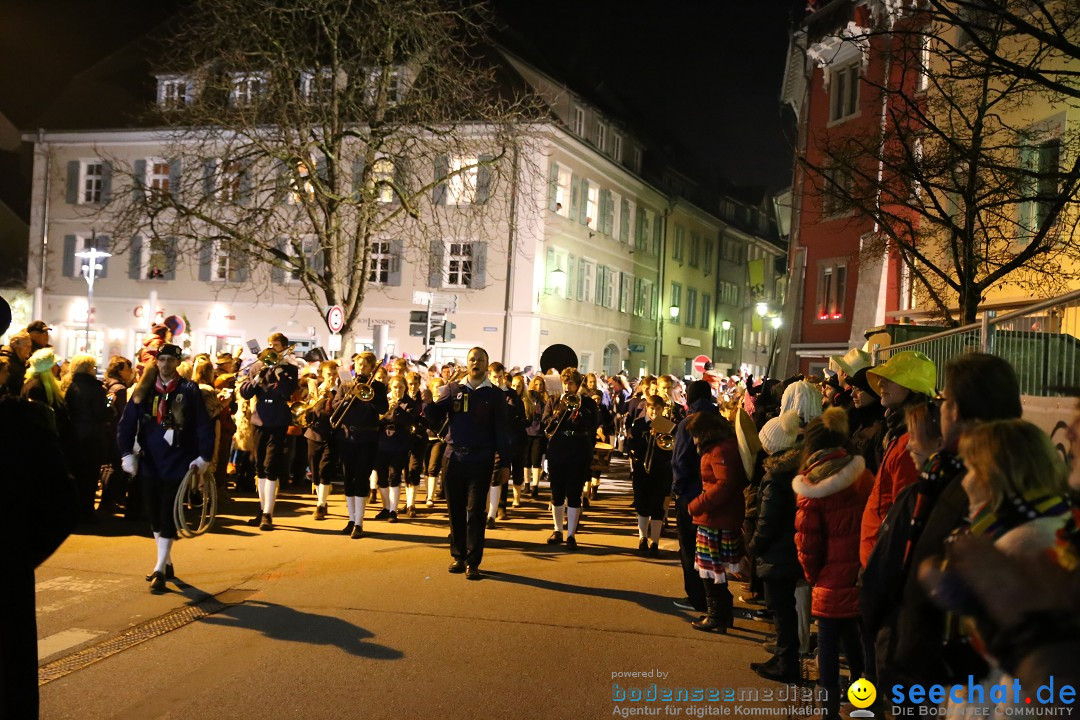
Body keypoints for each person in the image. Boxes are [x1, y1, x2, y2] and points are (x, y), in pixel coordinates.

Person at [867, 353, 1024, 699]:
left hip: (951, 683)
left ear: (958, 412)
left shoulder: (956, 487)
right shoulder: (1002, 480)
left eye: (945, 401)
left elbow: (892, 578)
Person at [792, 408, 873, 719]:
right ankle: (863, 700)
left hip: (829, 578)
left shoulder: (811, 487)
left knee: (827, 646)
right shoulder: (863, 475)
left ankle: (828, 712)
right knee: (854, 640)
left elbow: (807, 544)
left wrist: (814, 577)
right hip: (862, 573)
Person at [117, 344, 214, 592]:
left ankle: (159, 567)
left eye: (171, 360)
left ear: (178, 362)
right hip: (150, 459)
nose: (166, 364)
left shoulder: (189, 390)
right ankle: (166, 559)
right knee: (153, 511)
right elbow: (127, 423)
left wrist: (204, 457)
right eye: (162, 359)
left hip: (179, 459)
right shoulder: (144, 390)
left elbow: (203, 425)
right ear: (156, 362)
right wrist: (126, 452)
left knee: (169, 510)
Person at [422, 347, 510, 579]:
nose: (475, 363)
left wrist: (505, 464)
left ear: (486, 364)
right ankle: (458, 556)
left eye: (480, 360)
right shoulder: (453, 389)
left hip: (481, 458)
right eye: (472, 359)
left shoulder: (495, 394)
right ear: (467, 363)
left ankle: (473, 561)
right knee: (455, 510)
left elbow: (502, 430)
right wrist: (428, 402)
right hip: (453, 457)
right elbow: (434, 417)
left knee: (475, 511)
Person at [860, 351, 936, 566]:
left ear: (912, 388)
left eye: (891, 378)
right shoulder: (897, 430)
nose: (881, 382)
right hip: (878, 555)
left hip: (884, 559)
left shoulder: (910, 441)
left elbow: (903, 512)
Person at [747, 409, 804, 682]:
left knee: (780, 610)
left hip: (777, 553)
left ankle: (786, 663)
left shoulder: (775, 476)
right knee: (784, 609)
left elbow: (767, 519)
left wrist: (755, 545)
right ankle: (783, 657)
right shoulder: (791, 470)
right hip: (787, 550)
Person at [685, 411, 747, 633]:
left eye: (696, 435)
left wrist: (697, 504)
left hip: (716, 517)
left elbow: (725, 484)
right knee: (713, 570)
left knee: (710, 570)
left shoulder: (720, 450)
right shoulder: (722, 446)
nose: (694, 440)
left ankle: (717, 615)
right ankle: (721, 613)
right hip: (718, 515)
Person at [238, 333, 300, 530]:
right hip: (260, 419)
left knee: (271, 465)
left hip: (278, 420)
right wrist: (258, 376)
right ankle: (262, 508)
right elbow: (246, 392)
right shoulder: (258, 366)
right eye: (270, 345)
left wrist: (279, 369)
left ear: (283, 348)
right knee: (259, 466)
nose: (271, 348)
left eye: (275, 345)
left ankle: (268, 513)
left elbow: (286, 391)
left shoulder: (290, 368)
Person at [670, 380, 717, 614]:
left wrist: (677, 490)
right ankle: (713, 599)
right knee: (710, 549)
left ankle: (697, 597)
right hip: (714, 494)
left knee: (689, 548)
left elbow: (680, 461)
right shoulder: (720, 419)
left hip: (690, 493)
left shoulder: (689, 422)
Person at [542, 368, 599, 550]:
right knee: (557, 491)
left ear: (577, 384)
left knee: (574, 492)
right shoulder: (554, 400)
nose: (567, 387)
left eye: (571, 383)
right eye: (565, 383)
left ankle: (571, 534)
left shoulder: (587, 403)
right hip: (558, 448)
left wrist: (579, 413)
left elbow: (593, 424)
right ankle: (557, 529)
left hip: (579, 448)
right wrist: (559, 412)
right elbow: (546, 423)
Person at [333, 352, 388, 538]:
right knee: (348, 478)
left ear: (372, 368)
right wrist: (348, 396)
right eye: (359, 365)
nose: (361, 369)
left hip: (368, 437)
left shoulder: (378, 387)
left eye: (365, 366)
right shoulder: (345, 385)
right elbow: (335, 407)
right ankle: (350, 519)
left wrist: (369, 396)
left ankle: (359, 522)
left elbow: (383, 409)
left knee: (361, 478)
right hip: (347, 436)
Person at [62, 354, 112, 522]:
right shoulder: (95, 387)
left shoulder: (69, 385)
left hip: (74, 434)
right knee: (90, 475)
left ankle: (73, 510)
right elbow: (100, 413)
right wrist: (110, 409)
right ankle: (86, 512)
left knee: (76, 473)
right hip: (92, 435)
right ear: (89, 368)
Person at [628, 395, 673, 556]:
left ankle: (655, 541)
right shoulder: (639, 424)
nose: (655, 412)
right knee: (642, 505)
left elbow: (669, 450)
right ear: (647, 408)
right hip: (642, 470)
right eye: (652, 408)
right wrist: (647, 437)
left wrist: (660, 436)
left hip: (660, 471)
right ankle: (642, 538)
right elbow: (632, 446)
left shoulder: (667, 426)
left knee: (657, 506)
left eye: (658, 409)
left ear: (662, 409)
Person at [374, 375, 420, 522]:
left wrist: (397, 409)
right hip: (382, 442)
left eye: (400, 387)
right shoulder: (384, 402)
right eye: (395, 387)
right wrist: (386, 410)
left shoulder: (409, 403)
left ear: (405, 388)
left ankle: (393, 510)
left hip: (399, 442)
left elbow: (410, 419)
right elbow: (377, 419)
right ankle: (385, 507)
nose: (397, 390)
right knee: (382, 477)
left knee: (394, 476)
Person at [304, 360, 339, 520]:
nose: (331, 377)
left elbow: (340, 411)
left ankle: (320, 504)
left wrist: (331, 397)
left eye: (333, 374)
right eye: (328, 374)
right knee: (315, 471)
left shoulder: (340, 391)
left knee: (325, 469)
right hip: (314, 434)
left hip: (331, 435)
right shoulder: (315, 390)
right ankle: (322, 501)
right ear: (322, 375)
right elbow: (307, 411)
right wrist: (313, 401)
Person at [845, 367, 885, 475]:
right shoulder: (863, 420)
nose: (852, 394)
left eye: (858, 389)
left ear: (873, 390)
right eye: (853, 389)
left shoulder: (880, 427)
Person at [524, 374, 549, 498]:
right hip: (527, 431)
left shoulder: (545, 399)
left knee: (536, 460)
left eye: (541, 385)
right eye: (536, 384)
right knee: (526, 460)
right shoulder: (528, 397)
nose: (538, 387)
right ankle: (527, 484)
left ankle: (535, 486)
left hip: (539, 433)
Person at [0, 329, 31, 396]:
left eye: (30, 346)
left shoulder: (21, 361)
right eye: (26, 346)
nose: (29, 349)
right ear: (15, 345)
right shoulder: (6, 363)